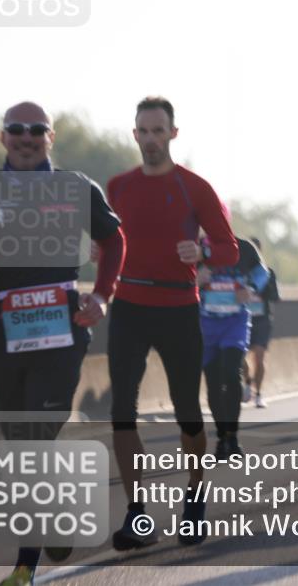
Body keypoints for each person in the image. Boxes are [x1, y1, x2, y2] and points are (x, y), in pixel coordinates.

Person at [0, 101, 125, 586]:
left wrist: (102, 297)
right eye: (16, 129)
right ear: (3, 138)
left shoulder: (75, 187)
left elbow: (115, 242)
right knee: (19, 439)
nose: (26, 136)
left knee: (37, 433)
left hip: (62, 328)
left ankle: (25, 566)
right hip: (1, 332)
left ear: (51, 137)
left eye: (36, 129)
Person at [107, 97, 238, 550]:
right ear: (135, 134)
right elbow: (106, 241)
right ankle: (137, 514)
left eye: (157, 131)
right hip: (127, 306)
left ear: (173, 134)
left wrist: (202, 252)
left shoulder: (195, 188)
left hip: (178, 309)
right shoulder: (118, 186)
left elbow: (229, 249)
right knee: (121, 411)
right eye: (142, 131)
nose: (150, 139)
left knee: (186, 409)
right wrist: (98, 255)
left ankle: (195, 499)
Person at [198, 225, 270, 457]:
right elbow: (174, 273)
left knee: (231, 374)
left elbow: (263, 272)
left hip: (235, 323)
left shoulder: (245, 248)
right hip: (205, 325)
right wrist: (195, 278)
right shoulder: (198, 247)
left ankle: (233, 437)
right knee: (212, 384)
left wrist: (250, 287)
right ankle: (222, 437)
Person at [243, 236, 279, 408]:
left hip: (262, 320)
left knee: (259, 356)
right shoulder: (240, 270)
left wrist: (262, 289)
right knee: (240, 358)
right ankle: (247, 383)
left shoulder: (268, 273)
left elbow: (276, 297)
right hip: (243, 318)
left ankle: (259, 394)